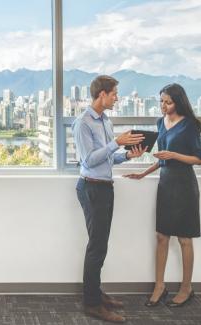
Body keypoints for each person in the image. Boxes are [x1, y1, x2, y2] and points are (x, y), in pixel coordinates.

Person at [72, 75, 147, 323]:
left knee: (101, 245)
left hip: (105, 187)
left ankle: (96, 292)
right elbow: (88, 160)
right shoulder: (83, 122)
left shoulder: (105, 120)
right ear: (101, 94)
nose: (117, 97)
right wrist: (116, 142)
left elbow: (107, 158)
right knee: (96, 246)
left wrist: (127, 155)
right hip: (91, 188)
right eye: (114, 93)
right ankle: (92, 303)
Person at [124, 83, 201, 307]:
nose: (163, 106)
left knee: (184, 238)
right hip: (166, 184)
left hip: (185, 185)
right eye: (161, 101)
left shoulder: (190, 125)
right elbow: (162, 159)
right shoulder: (160, 122)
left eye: (167, 102)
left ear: (178, 102)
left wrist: (174, 154)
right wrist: (143, 173)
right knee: (162, 236)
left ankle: (186, 288)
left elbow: (198, 158)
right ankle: (159, 285)